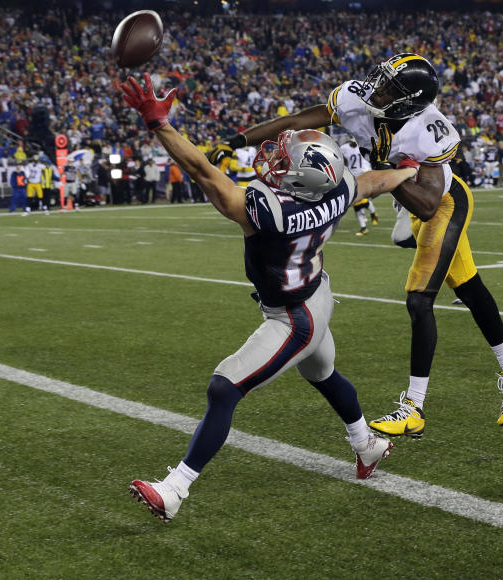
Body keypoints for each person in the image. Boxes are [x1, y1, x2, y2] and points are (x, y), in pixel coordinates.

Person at [119, 74, 416, 522]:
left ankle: (175, 488)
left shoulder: (269, 213)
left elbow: (202, 171)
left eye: (286, 157)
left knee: (224, 387)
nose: (276, 157)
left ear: (302, 176)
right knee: (324, 374)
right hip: (317, 294)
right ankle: (367, 444)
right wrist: (409, 171)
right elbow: (374, 182)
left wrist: (159, 124)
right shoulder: (338, 190)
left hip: (295, 316)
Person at [210, 53, 503, 436]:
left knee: (419, 300)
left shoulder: (427, 129)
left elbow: (431, 204)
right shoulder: (356, 101)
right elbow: (298, 121)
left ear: (410, 101)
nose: (377, 88)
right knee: (469, 287)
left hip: (443, 205)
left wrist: (381, 176)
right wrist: (237, 140)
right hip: (410, 202)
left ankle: (414, 408)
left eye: (389, 88)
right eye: (380, 79)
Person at [340, 138, 379, 236]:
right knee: (361, 199)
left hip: (356, 176)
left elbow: (342, 159)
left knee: (356, 201)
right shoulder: (363, 145)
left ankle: (364, 226)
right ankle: (372, 214)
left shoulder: (344, 147)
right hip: (366, 172)